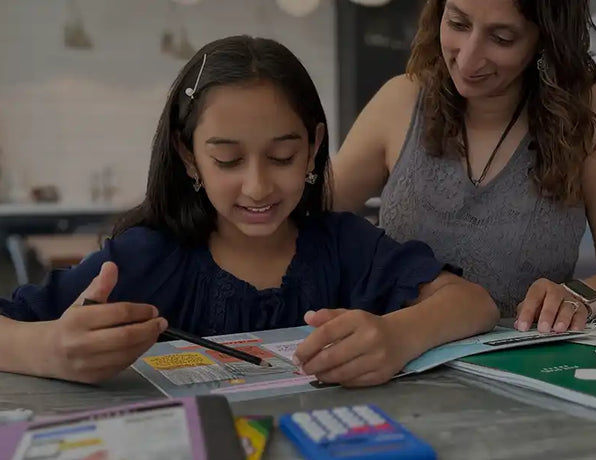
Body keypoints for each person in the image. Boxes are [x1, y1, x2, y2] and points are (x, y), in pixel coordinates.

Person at [0, 36, 498, 387]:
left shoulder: (347, 245)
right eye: (228, 159)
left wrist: (398, 335)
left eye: (282, 157)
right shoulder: (147, 258)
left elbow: (475, 303)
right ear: (188, 155)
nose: (258, 186)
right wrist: (49, 350)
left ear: (313, 146)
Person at [332, 0, 596, 333]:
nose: (468, 59)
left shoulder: (588, 108)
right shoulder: (401, 99)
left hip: (522, 364)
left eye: (501, 39)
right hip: (395, 360)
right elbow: (304, 216)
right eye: (457, 23)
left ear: (545, 39)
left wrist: (576, 296)